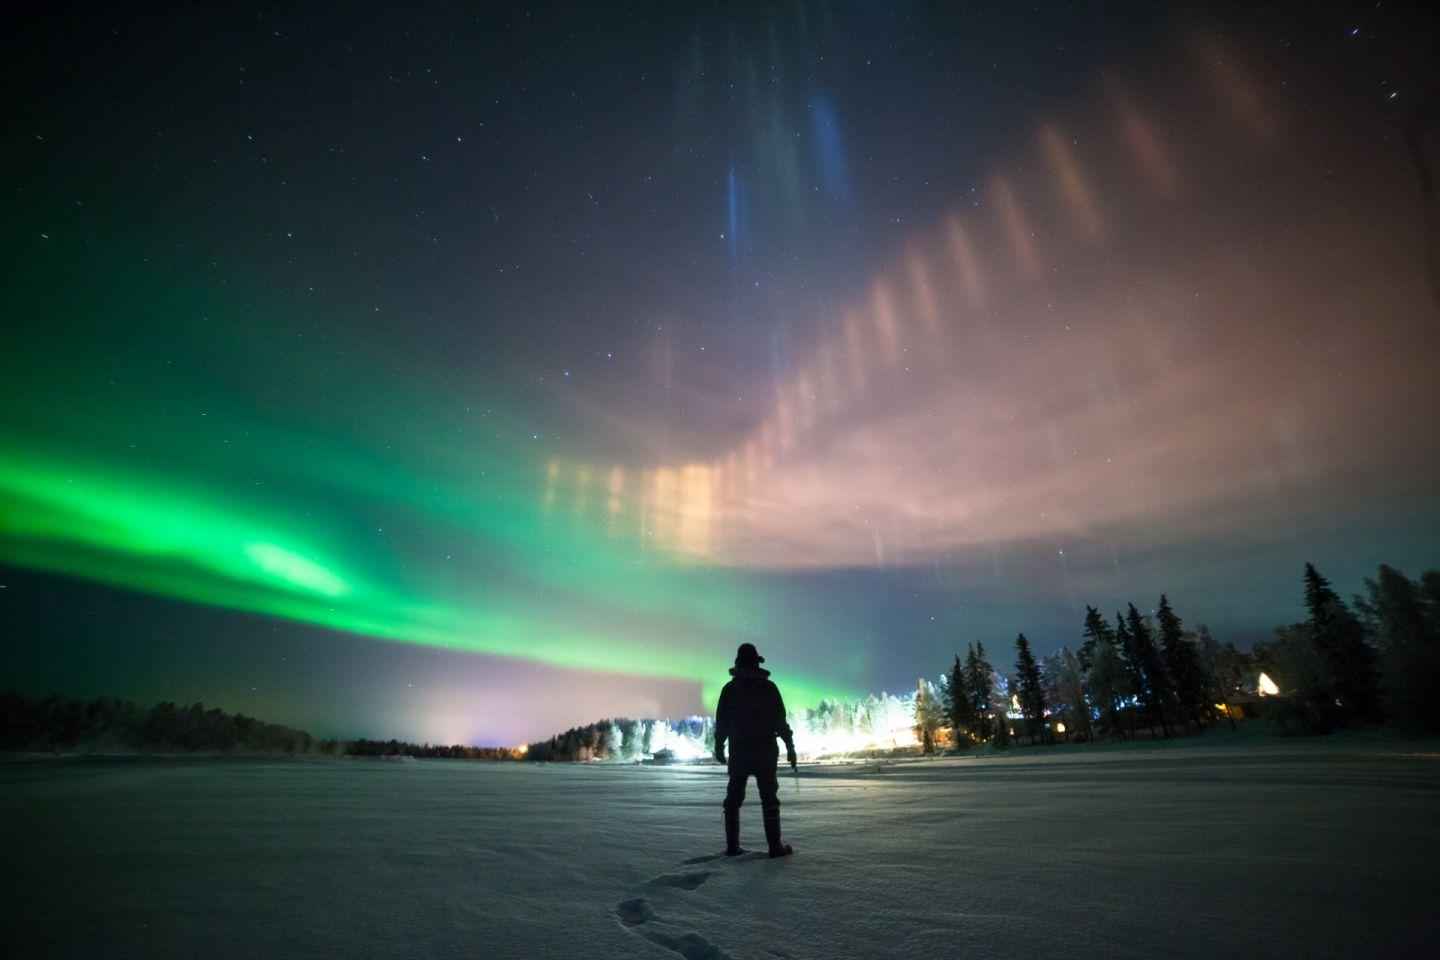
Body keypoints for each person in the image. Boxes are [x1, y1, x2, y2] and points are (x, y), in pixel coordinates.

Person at [713, 642, 797, 858]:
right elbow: (780, 722)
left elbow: (722, 723)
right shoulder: (769, 688)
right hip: (765, 752)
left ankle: (732, 847)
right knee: (769, 799)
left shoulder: (730, 690)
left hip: (739, 752)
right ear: (756, 662)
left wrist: (719, 746)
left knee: (733, 800)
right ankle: (775, 847)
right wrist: (790, 746)